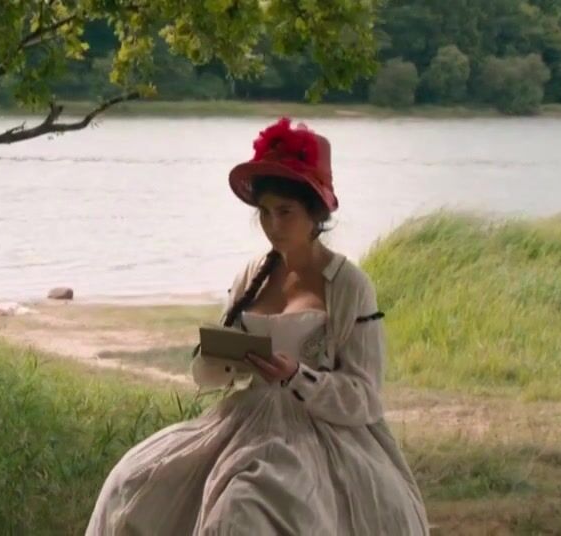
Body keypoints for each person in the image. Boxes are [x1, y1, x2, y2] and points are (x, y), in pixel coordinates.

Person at [86, 118, 429, 535]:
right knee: (131, 480)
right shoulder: (252, 275)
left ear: (315, 213)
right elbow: (212, 375)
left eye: (285, 212)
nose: (273, 225)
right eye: (265, 212)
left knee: (242, 509)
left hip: (317, 434)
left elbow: (365, 397)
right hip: (245, 421)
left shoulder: (349, 285)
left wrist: (297, 376)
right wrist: (222, 355)